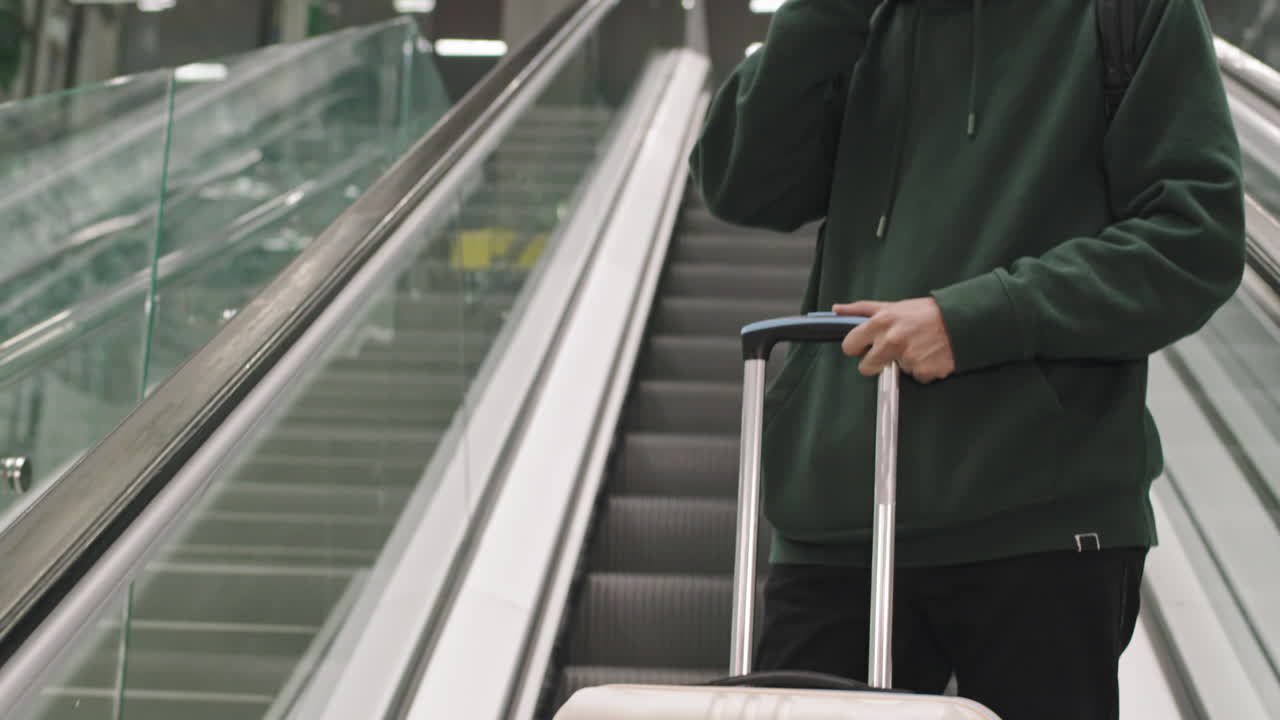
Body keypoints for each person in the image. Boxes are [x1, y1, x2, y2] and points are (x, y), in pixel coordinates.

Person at [689, 1, 1244, 718]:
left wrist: (978, 319)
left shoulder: (1129, 12)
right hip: (842, 517)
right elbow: (739, 182)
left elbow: (1194, 240)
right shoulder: (862, 20)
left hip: (1044, 521)